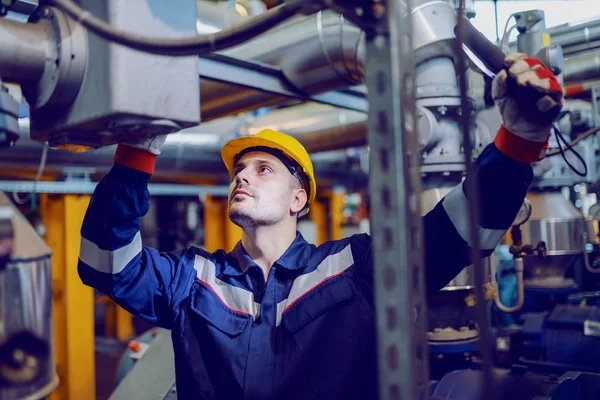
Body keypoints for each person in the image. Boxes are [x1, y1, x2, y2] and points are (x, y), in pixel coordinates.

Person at [78, 53, 563, 399]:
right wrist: (139, 151)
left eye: (263, 169)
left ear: (299, 199)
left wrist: (518, 141)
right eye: (238, 172)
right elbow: (106, 263)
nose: (242, 176)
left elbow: (456, 233)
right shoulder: (194, 280)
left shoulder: (353, 267)